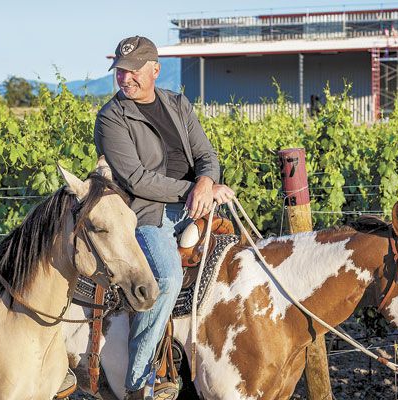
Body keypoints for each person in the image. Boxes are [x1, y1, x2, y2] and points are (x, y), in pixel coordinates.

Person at [94, 36, 236, 400]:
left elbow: (207, 155)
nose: (124, 79)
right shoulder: (111, 118)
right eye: (120, 72)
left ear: (155, 70)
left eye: (132, 71)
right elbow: (136, 179)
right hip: (147, 214)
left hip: (195, 204)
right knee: (168, 279)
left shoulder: (177, 103)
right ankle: (139, 379)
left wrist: (206, 182)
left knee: (243, 262)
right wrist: (195, 191)